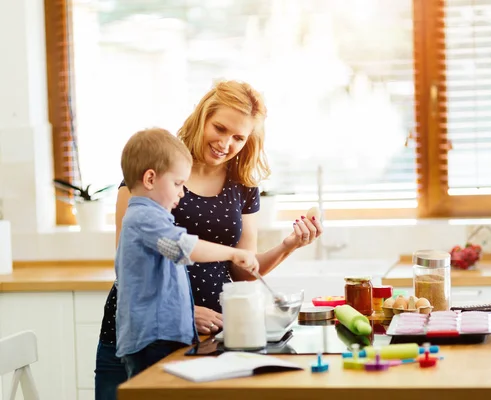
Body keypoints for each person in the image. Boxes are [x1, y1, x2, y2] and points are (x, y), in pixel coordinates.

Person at [95, 80, 324, 400]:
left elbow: (244, 270)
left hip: (210, 339)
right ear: (202, 116)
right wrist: (183, 312)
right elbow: (129, 266)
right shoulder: (156, 171)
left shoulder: (242, 184)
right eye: (220, 128)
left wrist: (289, 246)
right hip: (143, 336)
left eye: (239, 137)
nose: (225, 143)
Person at [115, 128, 259, 378]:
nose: (182, 192)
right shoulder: (144, 217)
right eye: (178, 183)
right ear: (150, 179)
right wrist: (233, 254)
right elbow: (184, 247)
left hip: (162, 337)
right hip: (152, 340)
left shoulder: (155, 218)